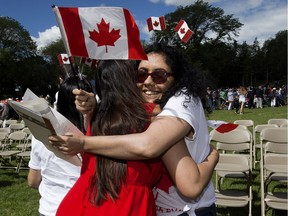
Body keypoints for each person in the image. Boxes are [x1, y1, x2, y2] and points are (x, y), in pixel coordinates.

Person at [50, 43, 219, 216]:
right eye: (141, 74)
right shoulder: (148, 115)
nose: (148, 81)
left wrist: (92, 119)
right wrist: (213, 156)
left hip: (83, 203)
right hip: (128, 206)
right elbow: (188, 183)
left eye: (159, 75)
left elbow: (148, 145)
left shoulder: (168, 109)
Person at [27, 77, 93, 216]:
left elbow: (33, 181)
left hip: (50, 207)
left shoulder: (40, 135)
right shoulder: (97, 136)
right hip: (85, 207)